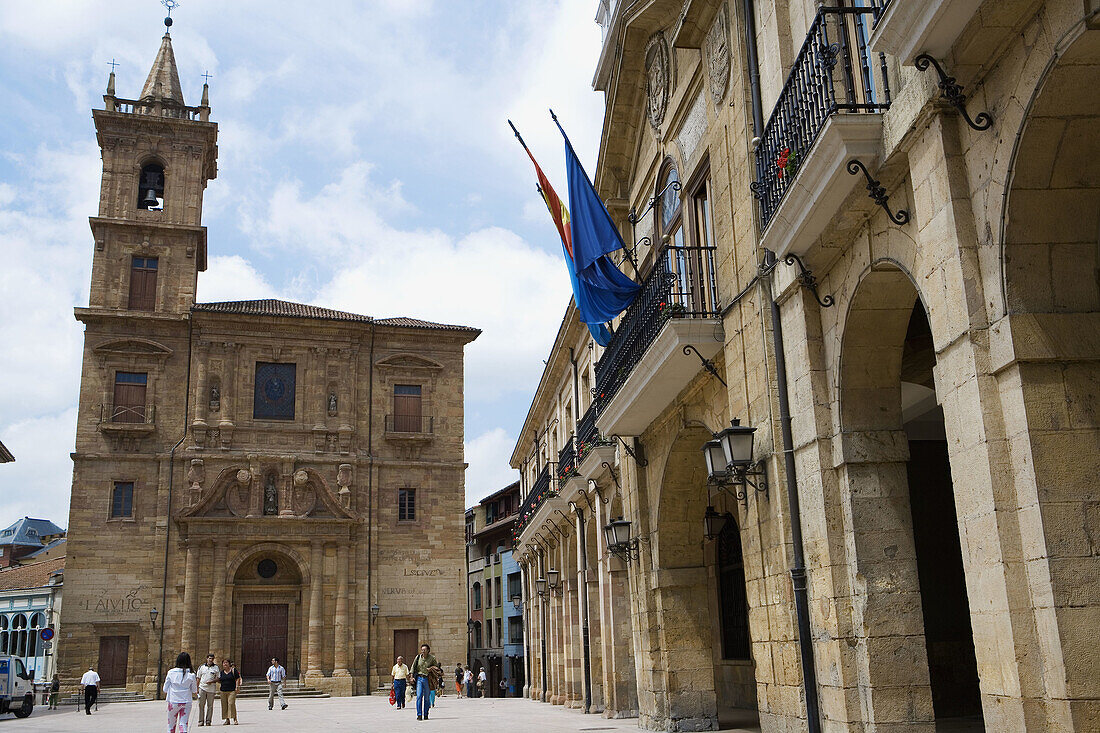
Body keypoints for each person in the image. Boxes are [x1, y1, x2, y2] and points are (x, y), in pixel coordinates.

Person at [163, 652, 198, 733]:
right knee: (183, 724)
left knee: (171, 725)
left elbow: (165, 689)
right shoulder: (191, 674)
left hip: (173, 701)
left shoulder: (171, 672)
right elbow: (194, 690)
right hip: (186, 701)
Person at [409, 643, 440, 721]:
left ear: (428, 650)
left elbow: (437, 668)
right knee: (419, 696)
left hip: (427, 679)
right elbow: (413, 667)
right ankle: (419, 714)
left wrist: (431, 668)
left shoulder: (432, 658)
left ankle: (426, 713)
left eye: (424, 650)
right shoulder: (418, 657)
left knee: (426, 698)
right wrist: (411, 677)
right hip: (419, 678)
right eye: (422, 650)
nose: (423, 651)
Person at [195, 653, 219, 726]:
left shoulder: (216, 668)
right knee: (201, 705)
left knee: (210, 706)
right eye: (209, 658)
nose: (210, 660)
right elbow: (198, 678)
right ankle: (201, 721)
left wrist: (211, 681)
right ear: (207, 658)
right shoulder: (201, 667)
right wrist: (197, 688)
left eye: (212, 658)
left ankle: (208, 721)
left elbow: (218, 678)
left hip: (211, 689)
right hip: (202, 688)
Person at [218, 658, 241, 726]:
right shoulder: (221, 672)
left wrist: (237, 686)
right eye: (224, 663)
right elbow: (219, 680)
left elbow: (237, 678)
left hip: (231, 690)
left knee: (231, 704)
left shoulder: (233, 671)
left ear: (229, 664)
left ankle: (235, 719)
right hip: (223, 690)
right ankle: (227, 720)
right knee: (224, 705)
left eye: (226, 662)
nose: (225, 664)